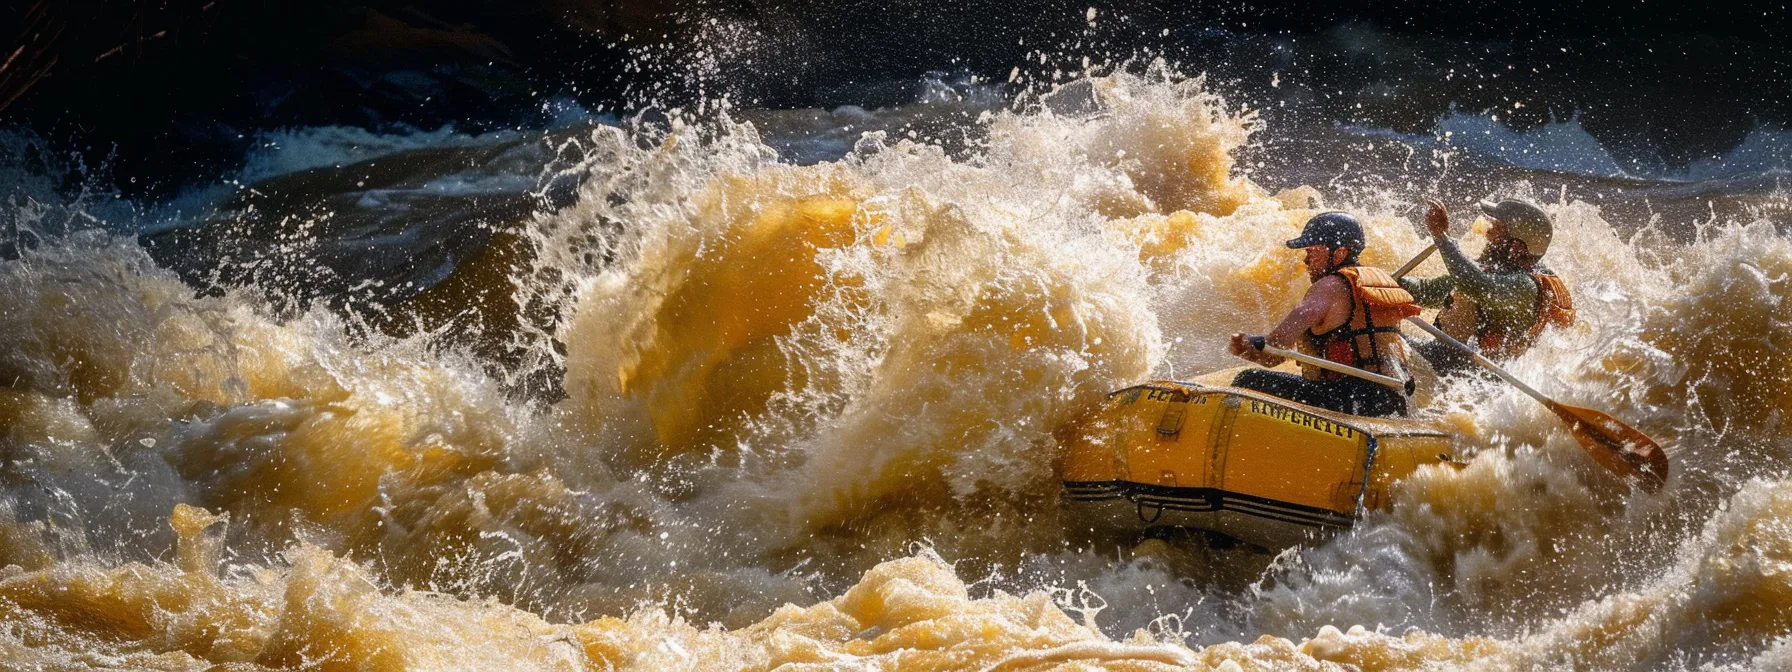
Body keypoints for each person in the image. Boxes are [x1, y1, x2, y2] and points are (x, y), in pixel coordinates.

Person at [1227, 212, 1421, 417]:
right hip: (1393, 401)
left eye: (1313, 252)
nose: (1306, 260)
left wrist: (1246, 345)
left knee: (1248, 380)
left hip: (1347, 398)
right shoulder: (1375, 283)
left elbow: (1276, 348)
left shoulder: (1329, 286)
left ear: (1339, 254)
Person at [1399, 198, 1575, 374]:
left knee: (1381, 340)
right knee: (1379, 331)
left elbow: (1475, 284)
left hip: (1473, 375)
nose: (1487, 234)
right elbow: (1430, 291)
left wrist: (1441, 237)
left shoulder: (1525, 287)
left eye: (1496, 230)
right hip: (1447, 356)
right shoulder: (1494, 272)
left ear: (1516, 247)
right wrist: (1389, 285)